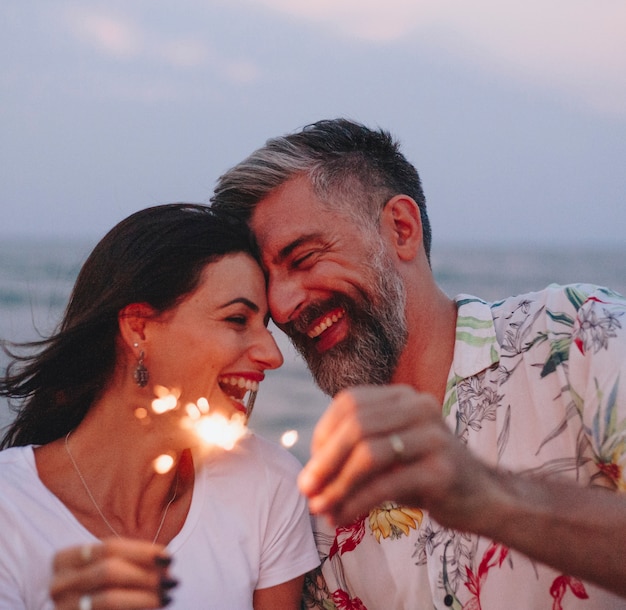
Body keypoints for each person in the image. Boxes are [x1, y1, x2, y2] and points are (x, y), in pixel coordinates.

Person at [211, 119, 626, 609]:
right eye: (268, 282)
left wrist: (486, 496)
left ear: (401, 230)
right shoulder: (328, 513)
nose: (281, 307)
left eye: (303, 259)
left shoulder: (579, 337)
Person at [0, 203, 320, 610]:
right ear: (139, 328)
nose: (272, 355)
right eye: (238, 320)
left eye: (266, 327)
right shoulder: (9, 511)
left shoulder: (266, 485)